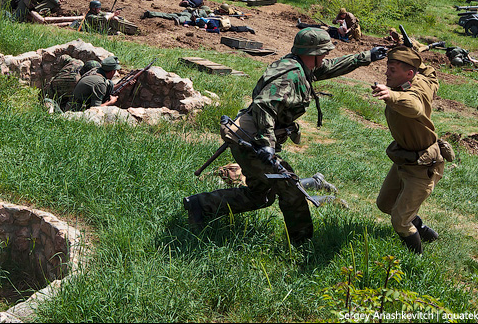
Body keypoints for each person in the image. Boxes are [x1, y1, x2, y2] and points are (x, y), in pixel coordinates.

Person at [183, 29, 388, 245]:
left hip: (251, 138)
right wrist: (267, 146)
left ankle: (200, 205)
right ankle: (302, 245)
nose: (326, 57)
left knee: (260, 196)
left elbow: (333, 66)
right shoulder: (290, 76)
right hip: (252, 141)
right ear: (314, 53)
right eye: (324, 52)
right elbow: (264, 105)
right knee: (291, 191)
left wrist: (367, 56)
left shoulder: (301, 65)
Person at [371, 47, 444, 254]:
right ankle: (422, 230)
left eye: (392, 70)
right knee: (386, 204)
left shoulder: (414, 93)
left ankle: (416, 260)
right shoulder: (422, 78)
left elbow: (415, 107)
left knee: (400, 221)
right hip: (405, 159)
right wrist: (412, 50)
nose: (386, 74)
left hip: (423, 165)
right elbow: (430, 72)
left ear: (409, 74)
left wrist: (392, 96)